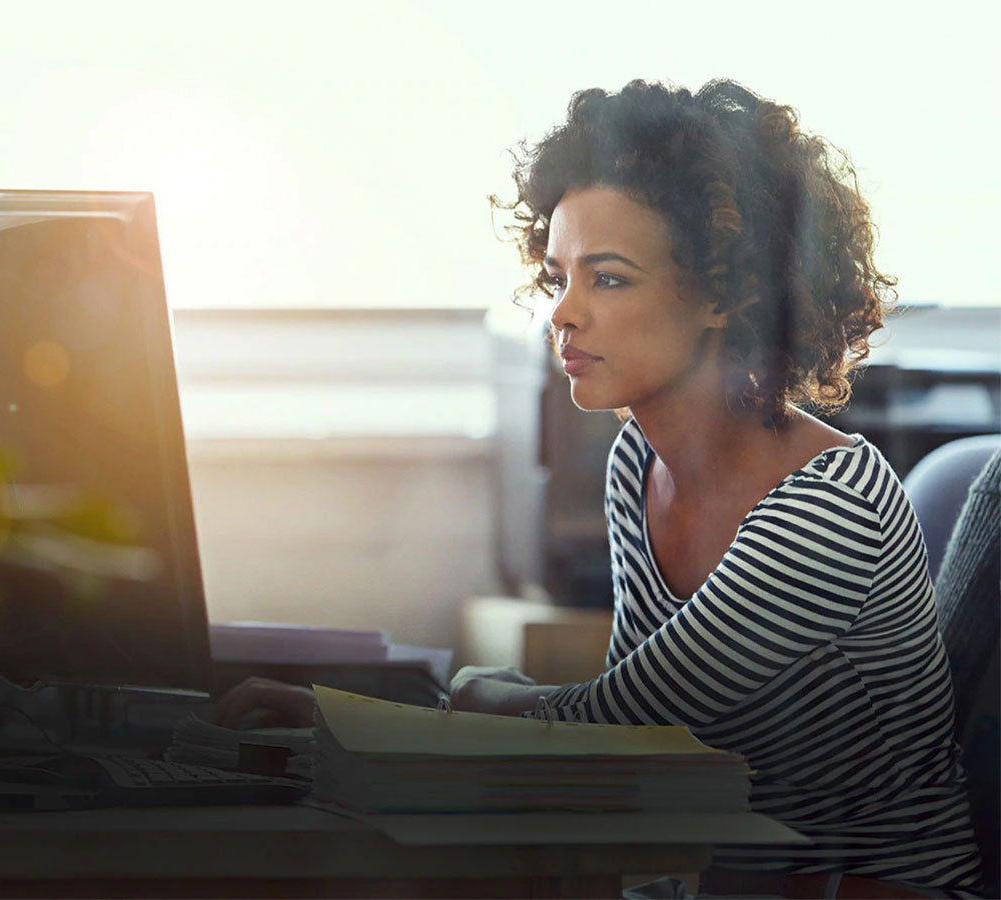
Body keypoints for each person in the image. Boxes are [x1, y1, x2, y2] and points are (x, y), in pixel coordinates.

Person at [214, 79, 983, 897]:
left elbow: (619, 725)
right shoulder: (635, 465)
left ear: (728, 291)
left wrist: (351, 719)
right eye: (559, 279)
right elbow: (615, 756)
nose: (563, 316)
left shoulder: (831, 505)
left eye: (608, 280)